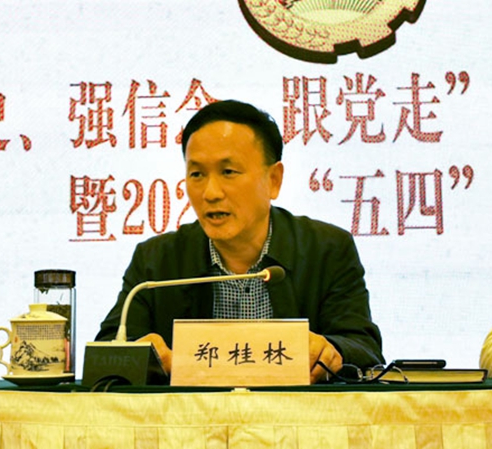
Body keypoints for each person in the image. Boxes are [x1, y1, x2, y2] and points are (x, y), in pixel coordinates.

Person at [96, 100, 384, 383]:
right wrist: (141, 356)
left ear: (274, 180)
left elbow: (365, 349)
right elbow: (107, 351)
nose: (211, 193)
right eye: (197, 174)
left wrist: (333, 351)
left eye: (228, 172)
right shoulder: (156, 260)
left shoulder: (327, 250)